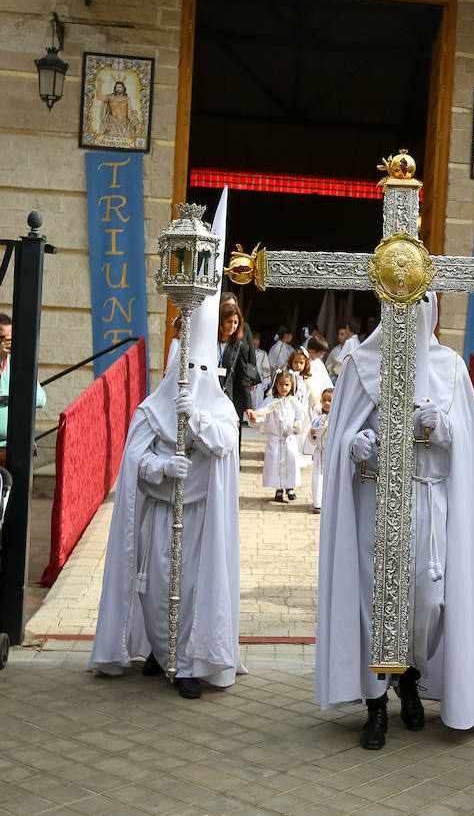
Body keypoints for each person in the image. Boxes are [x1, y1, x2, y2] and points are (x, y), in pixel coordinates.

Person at [315, 294, 474, 749]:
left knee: (429, 601)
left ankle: (410, 674)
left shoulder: (451, 366)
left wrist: (444, 427)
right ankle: (376, 705)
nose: (411, 311)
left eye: (420, 300)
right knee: (375, 603)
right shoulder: (360, 364)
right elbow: (341, 437)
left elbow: (469, 444)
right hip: (376, 502)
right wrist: (356, 445)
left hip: (429, 502)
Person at [89, 203, 245, 699]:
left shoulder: (216, 408)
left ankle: (187, 662)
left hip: (200, 516)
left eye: (203, 373)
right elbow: (133, 461)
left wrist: (195, 422)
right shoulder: (152, 411)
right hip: (162, 513)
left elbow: (225, 443)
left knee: (196, 590)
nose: (196, 380)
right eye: (189, 371)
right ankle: (161, 651)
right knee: (158, 585)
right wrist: (161, 465)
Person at [248, 369, 308, 503]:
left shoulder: (294, 402)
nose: (284, 388)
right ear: (276, 385)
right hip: (275, 439)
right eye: (281, 384)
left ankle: (290, 488)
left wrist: (296, 425)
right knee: (275, 464)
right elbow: (263, 415)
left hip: (289, 439)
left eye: (287, 385)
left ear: (292, 386)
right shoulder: (271, 402)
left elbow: (300, 417)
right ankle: (279, 489)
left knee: (291, 462)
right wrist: (255, 418)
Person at [0, 313, 47, 467]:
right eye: (2, 338)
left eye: (10, 339)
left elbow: (40, 399)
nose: (7, 343)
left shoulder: (18, 362)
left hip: (13, 448)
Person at [217, 300, 255, 437]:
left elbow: (243, 377)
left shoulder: (239, 346)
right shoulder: (209, 341)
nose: (233, 326)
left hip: (228, 398)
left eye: (236, 322)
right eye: (229, 321)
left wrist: (248, 406)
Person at [303, 388, 332, 513]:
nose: (326, 403)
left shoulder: (337, 419)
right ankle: (317, 503)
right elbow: (312, 437)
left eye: (330, 400)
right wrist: (313, 434)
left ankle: (329, 503)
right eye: (324, 400)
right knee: (317, 478)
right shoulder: (318, 418)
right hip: (319, 453)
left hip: (330, 454)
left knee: (329, 479)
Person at [306, 334, 333, 399]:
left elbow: (326, 382)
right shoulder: (301, 362)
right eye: (321, 354)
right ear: (312, 351)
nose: (322, 356)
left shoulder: (319, 363)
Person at [250, 332, 271, 411]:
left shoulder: (263, 354)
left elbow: (266, 370)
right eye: (253, 339)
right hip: (249, 381)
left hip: (259, 381)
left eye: (257, 340)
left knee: (258, 401)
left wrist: (266, 382)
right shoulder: (247, 353)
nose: (255, 342)